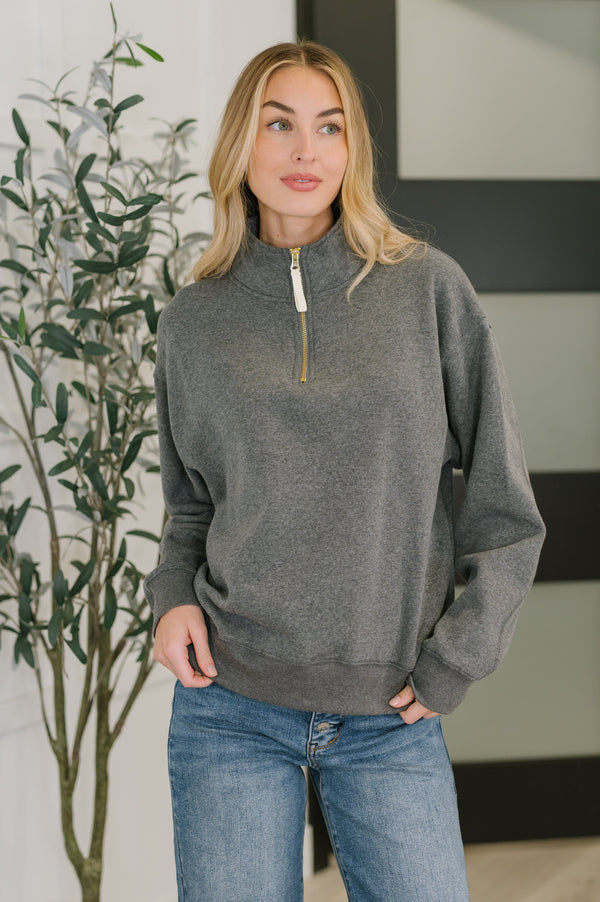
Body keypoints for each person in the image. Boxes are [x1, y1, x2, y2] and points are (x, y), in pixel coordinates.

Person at [144, 40, 545, 902]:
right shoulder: (192, 321)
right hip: (229, 706)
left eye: (329, 128)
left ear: (352, 150)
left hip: (390, 711)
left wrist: (455, 661)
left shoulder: (428, 291)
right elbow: (190, 507)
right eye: (278, 124)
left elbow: (506, 509)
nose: (304, 151)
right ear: (240, 145)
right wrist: (173, 596)